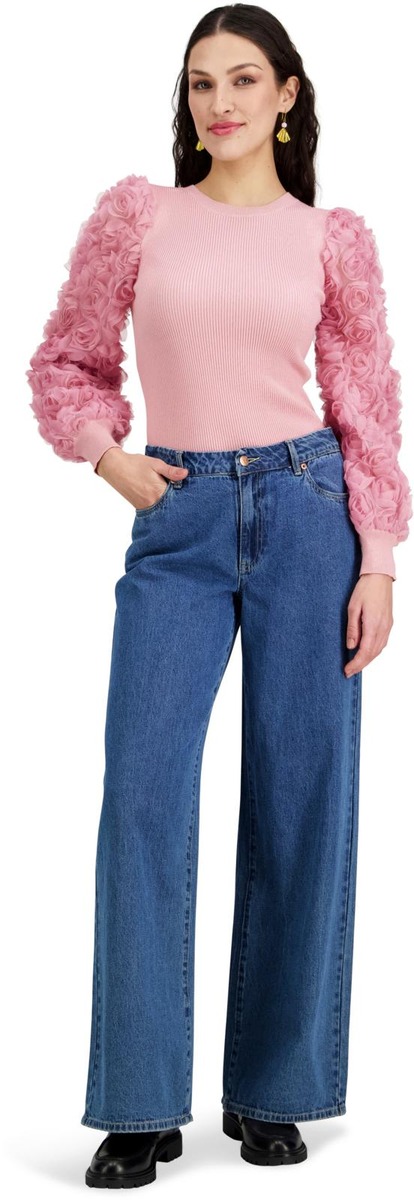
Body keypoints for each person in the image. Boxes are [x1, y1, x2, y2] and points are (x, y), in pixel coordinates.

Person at [26, 6, 412, 1189]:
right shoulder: (139, 216)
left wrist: (379, 560)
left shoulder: (331, 239)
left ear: (288, 95)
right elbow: (67, 360)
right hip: (179, 518)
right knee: (142, 797)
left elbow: (366, 401)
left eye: (245, 80)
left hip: (307, 512)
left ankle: (275, 1092)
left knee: (302, 797)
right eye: (202, 83)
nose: (221, 102)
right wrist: (107, 456)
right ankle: (139, 1103)